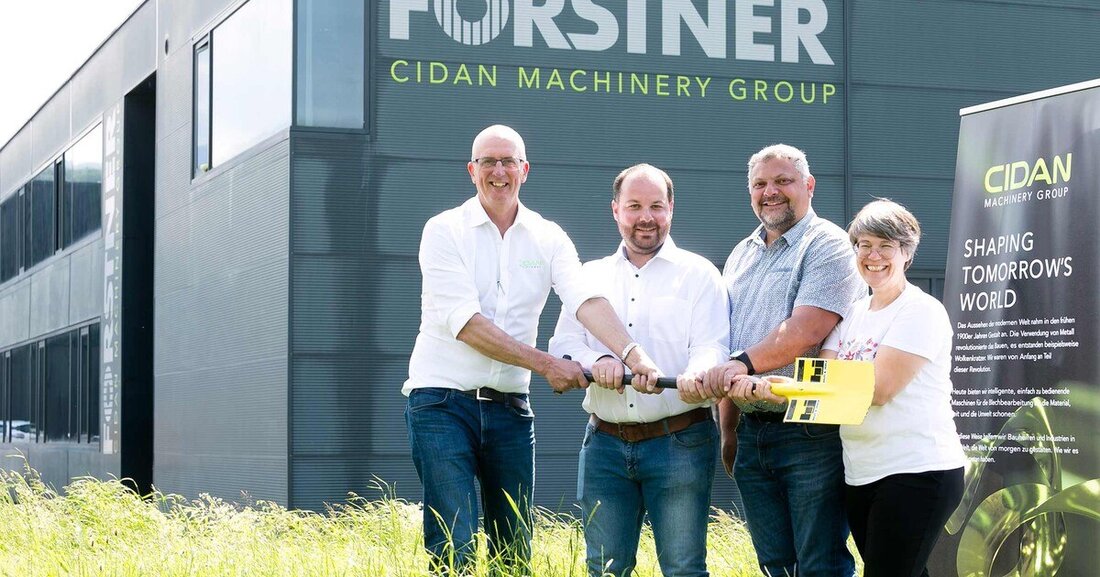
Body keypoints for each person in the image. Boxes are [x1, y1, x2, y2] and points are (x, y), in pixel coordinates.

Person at [403, 125, 660, 575]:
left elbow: (585, 300)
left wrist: (634, 356)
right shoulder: (444, 230)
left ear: (525, 170)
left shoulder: (548, 236)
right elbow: (466, 324)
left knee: (514, 553)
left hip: (510, 408)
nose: (498, 171)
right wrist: (546, 364)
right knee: (454, 545)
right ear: (471, 171)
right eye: (488, 161)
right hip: (441, 403)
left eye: (508, 161)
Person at [680, 144, 864, 576]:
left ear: (809, 185)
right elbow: (730, 343)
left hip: (810, 430)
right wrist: (729, 430)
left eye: (783, 181)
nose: (770, 192)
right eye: (760, 184)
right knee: (774, 564)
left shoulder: (830, 245)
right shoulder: (741, 253)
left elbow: (805, 330)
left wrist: (741, 365)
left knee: (821, 564)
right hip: (751, 430)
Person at [548, 164, 728, 577]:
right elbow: (564, 345)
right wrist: (600, 362)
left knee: (683, 568)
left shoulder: (699, 274)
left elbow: (712, 346)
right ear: (615, 210)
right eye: (634, 206)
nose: (646, 217)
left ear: (671, 209)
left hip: (680, 440)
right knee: (605, 569)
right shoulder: (588, 277)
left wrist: (696, 375)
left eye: (656, 206)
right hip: (604, 445)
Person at [818, 199, 967, 577]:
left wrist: (817, 385)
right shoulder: (852, 314)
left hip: (917, 471)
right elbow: (824, 379)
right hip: (861, 472)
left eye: (886, 246)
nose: (873, 255)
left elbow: (880, 389)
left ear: (907, 253)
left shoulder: (920, 310)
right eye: (864, 245)